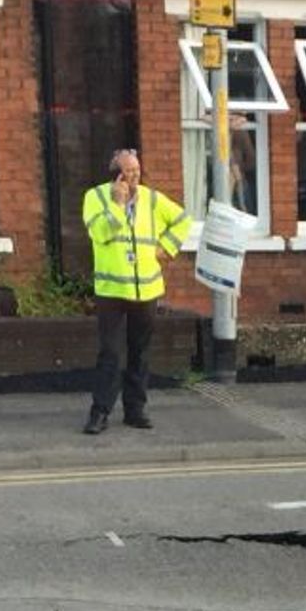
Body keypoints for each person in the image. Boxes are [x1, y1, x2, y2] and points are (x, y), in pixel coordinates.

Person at [82, 148, 192, 435]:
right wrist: (118, 207)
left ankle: (135, 410)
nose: (134, 177)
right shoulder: (95, 198)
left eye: (137, 171)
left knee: (140, 353)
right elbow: (99, 234)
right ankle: (100, 412)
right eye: (128, 171)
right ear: (115, 175)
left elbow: (183, 220)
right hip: (111, 290)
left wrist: (165, 248)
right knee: (110, 353)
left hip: (147, 289)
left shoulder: (152, 199)